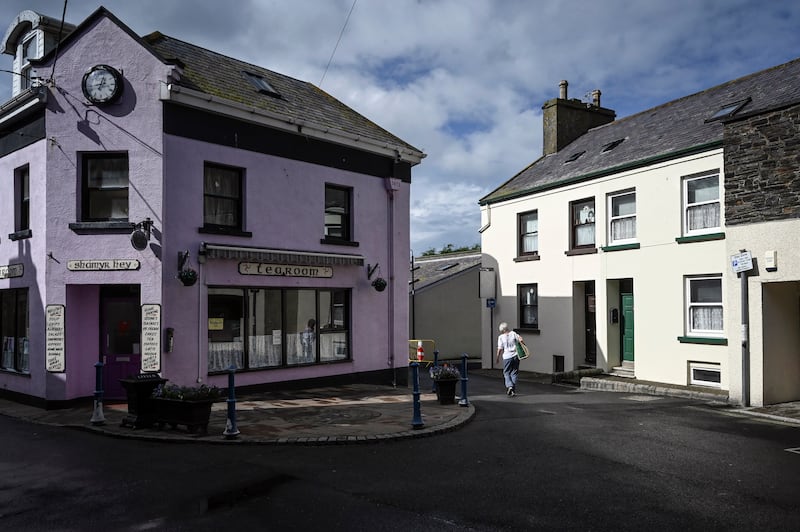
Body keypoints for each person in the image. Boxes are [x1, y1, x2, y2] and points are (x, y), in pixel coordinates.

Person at [496, 322, 523, 397]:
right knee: (514, 372)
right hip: (515, 355)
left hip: (507, 356)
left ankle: (510, 386)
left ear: (502, 330)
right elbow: (521, 339)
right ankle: (512, 390)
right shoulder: (513, 333)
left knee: (506, 372)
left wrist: (497, 357)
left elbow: (500, 348)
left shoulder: (501, 337)